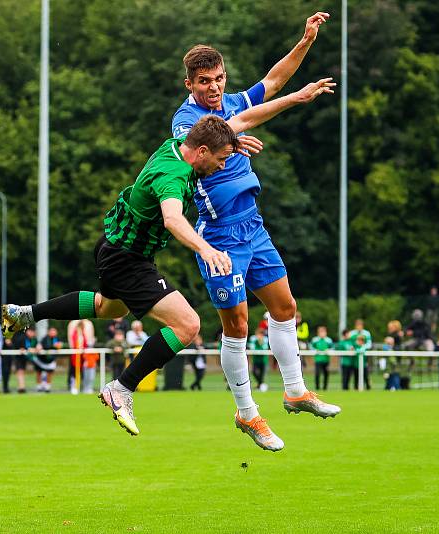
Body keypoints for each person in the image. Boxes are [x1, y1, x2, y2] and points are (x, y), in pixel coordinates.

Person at [2, 115, 246, 435]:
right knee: (188, 325)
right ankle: (122, 387)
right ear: (201, 151)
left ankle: (25, 314)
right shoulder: (172, 177)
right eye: (221, 158)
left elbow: (230, 123)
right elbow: (172, 218)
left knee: (109, 308)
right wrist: (206, 250)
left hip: (112, 245)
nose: (223, 166)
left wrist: (245, 133)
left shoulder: (177, 144)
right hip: (128, 260)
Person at [170, 31, 340, 449]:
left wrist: (304, 40)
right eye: (205, 81)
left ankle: (296, 391)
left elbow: (273, 82)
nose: (215, 87)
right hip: (221, 235)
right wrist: (232, 136)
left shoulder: (230, 103)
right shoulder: (184, 121)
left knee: (285, 307)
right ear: (190, 84)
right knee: (239, 324)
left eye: (220, 79)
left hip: (253, 226)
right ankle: (247, 414)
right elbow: (211, 142)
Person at [68, 319, 94, 393]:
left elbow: (85, 343)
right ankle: (73, 386)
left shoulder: (83, 335)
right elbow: (74, 343)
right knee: (74, 371)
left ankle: (82, 386)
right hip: (75, 356)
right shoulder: (75, 334)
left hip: (83, 356)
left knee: (83, 371)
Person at [36, 327, 61, 393]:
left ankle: (48, 386)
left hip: (51, 360)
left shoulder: (57, 339)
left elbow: (59, 346)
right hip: (42, 359)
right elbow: (42, 345)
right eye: (52, 331)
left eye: (54, 331)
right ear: (49, 332)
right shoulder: (45, 338)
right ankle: (39, 386)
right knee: (39, 372)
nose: (53, 333)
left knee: (49, 373)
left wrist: (59, 346)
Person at [310, 326, 332, 391]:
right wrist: (315, 350)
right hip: (318, 359)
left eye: (323, 332)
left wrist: (328, 350)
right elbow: (310, 346)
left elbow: (333, 347)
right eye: (321, 332)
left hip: (326, 359)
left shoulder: (328, 340)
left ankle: (325, 388)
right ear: (318, 333)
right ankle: (317, 388)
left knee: (326, 374)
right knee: (317, 374)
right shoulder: (315, 340)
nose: (322, 333)